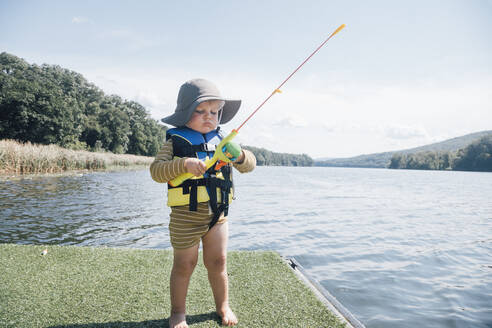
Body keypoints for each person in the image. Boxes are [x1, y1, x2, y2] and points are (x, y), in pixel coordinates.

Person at [150, 78, 256, 328]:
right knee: (184, 265)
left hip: (217, 216)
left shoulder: (223, 141)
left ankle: (223, 306)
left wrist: (239, 155)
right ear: (185, 114)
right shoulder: (174, 141)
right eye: (200, 111)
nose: (209, 117)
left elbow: (250, 165)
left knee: (218, 262)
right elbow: (156, 172)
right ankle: (178, 313)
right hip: (185, 217)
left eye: (214, 112)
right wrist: (184, 164)